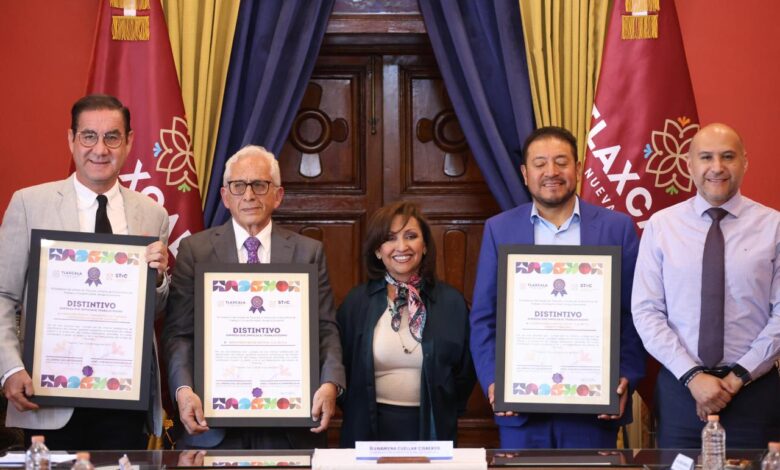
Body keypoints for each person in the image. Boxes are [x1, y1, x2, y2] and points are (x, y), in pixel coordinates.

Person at [0, 94, 170, 450]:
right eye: (89, 136)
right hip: (47, 397)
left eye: (112, 137)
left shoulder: (152, 214)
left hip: (125, 401)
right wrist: (10, 368)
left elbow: (153, 313)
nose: (100, 149)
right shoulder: (29, 204)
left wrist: (157, 280)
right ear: (71, 139)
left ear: (128, 142)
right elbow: (3, 294)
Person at [470, 126, 646, 448]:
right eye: (540, 164)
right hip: (520, 411)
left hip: (593, 411)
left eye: (561, 162)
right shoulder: (499, 229)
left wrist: (624, 376)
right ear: (525, 174)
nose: (551, 172)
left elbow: (634, 313)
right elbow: (484, 317)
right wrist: (495, 381)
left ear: (577, 168)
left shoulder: (616, 228)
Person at [162, 144, 345, 449]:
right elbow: (179, 333)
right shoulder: (196, 251)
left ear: (278, 195)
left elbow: (325, 328)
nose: (248, 195)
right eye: (238, 186)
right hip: (213, 425)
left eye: (259, 185)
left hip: (289, 426)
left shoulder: (307, 253)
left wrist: (330, 384)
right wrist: (183, 390)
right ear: (225, 196)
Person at [632, 123, 780, 448]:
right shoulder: (662, 226)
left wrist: (737, 377)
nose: (717, 167)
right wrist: (693, 376)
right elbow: (646, 311)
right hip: (681, 392)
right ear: (689, 164)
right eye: (706, 157)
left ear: (744, 162)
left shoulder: (774, 226)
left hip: (754, 392)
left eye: (728, 156)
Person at [336, 201, 475, 447]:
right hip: (367, 428)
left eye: (411, 236)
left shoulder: (452, 302)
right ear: (378, 250)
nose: (402, 246)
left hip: (433, 427)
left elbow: (464, 372)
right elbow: (340, 365)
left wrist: (444, 407)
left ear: (425, 246)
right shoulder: (356, 302)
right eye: (390, 238)